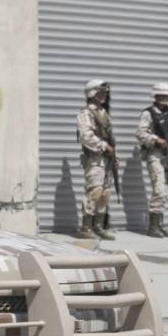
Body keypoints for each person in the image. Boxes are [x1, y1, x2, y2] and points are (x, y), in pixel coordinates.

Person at [135, 82, 168, 238]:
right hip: (155, 155)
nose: (164, 98)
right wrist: (156, 140)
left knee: (165, 191)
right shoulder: (148, 113)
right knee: (159, 190)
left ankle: (159, 225)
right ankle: (152, 227)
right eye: (161, 95)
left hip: (167, 156)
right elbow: (140, 133)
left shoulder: (166, 113)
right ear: (156, 96)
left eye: (167, 96)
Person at [75, 79, 118, 241]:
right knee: (94, 192)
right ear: (92, 93)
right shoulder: (86, 113)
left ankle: (99, 226)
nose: (104, 95)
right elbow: (86, 137)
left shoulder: (104, 113)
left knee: (105, 193)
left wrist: (114, 156)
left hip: (106, 159)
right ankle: (86, 227)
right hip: (94, 159)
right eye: (101, 92)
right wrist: (104, 146)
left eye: (105, 92)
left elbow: (110, 138)